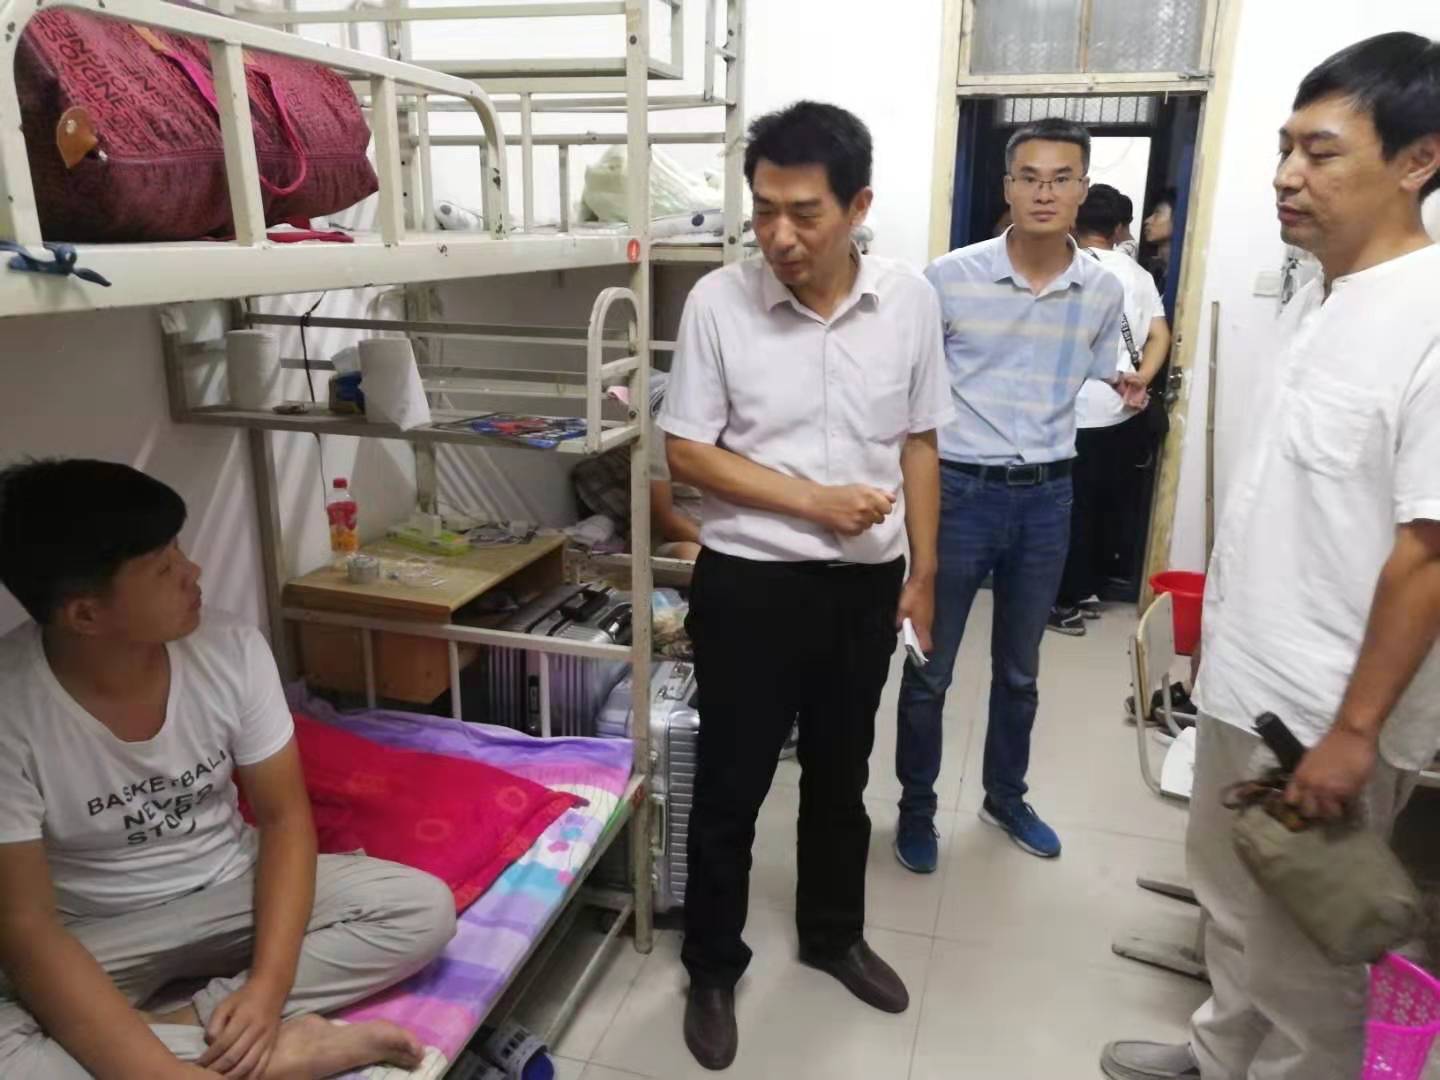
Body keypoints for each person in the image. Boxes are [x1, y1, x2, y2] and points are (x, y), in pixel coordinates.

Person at [1103, 31, 1440, 1080]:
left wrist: (1354, 732)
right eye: (1286, 148)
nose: (1288, 174)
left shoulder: (1430, 318)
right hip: (1248, 682)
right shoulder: (1315, 297)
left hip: (1330, 713)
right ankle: (1216, 1057)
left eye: (1322, 152)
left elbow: (1430, 551)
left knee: (1309, 953)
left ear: (1420, 159)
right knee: (1232, 899)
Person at [658, 100, 951, 1071]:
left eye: (805, 213)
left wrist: (924, 574)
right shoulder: (719, 302)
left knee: (840, 776)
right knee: (731, 785)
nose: (779, 236)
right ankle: (712, 966)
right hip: (749, 585)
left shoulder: (909, 303)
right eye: (763, 210)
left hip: (863, 590)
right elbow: (687, 452)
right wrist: (815, 503)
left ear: (858, 206)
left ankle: (833, 936)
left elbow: (920, 440)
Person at [0, 459, 457, 1080]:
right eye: (164, 568)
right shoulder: (12, 707)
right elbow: (27, 925)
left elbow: (284, 817)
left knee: (419, 909)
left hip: (233, 888)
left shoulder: (230, 647)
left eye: (179, 550)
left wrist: (266, 990)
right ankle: (282, 1056)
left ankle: (191, 1028)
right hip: (100, 931)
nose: (193, 572)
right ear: (85, 615)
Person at [893, 117, 1131, 872]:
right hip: (959, 493)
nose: (1044, 193)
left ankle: (1006, 796)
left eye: (1061, 179)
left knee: (1021, 672)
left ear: (1082, 189)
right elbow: (912, 399)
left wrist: (1130, 385)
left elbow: (1099, 376)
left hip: (1048, 499)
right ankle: (916, 809)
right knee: (930, 667)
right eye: (1029, 177)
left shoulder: (1103, 290)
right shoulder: (947, 279)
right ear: (1007, 187)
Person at [1051, 183, 1172, 633]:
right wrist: (1141, 376)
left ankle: (1062, 600)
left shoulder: (1066, 267)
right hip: (1119, 410)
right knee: (1101, 505)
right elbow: (1160, 334)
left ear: (1075, 222)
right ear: (1120, 228)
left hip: (1070, 410)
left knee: (1065, 509)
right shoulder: (1138, 275)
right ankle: (1085, 587)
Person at [1142, 187, 1177, 293]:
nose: (1147, 220)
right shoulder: (1158, 271)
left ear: (1177, 217)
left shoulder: (1181, 275)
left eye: (1158, 213)